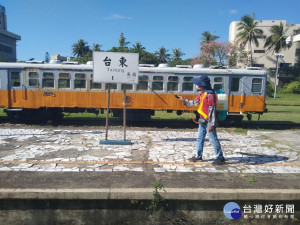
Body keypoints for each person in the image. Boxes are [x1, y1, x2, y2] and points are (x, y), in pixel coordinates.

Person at [178, 75, 225, 165]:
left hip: (208, 121)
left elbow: (212, 111)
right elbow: (194, 103)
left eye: (198, 84)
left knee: (213, 139)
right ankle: (198, 156)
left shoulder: (210, 95)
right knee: (200, 138)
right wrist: (183, 100)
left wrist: (212, 125)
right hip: (202, 120)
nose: (196, 85)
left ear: (202, 85)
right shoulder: (201, 94)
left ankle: (220, 157)